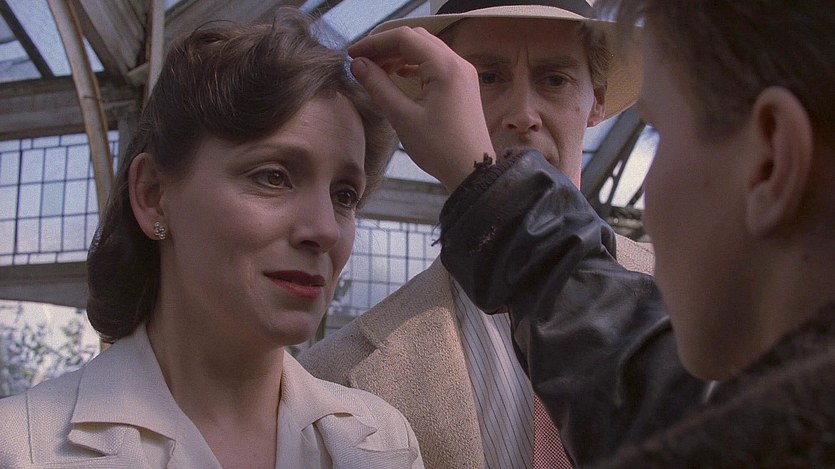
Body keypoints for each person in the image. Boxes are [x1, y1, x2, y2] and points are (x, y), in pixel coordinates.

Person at [351, 0, 835, 466]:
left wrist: (493, 199)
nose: (523, 113)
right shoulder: (349, 374)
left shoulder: (712, 315)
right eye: (485, 79)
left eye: (660, 132)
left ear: (772, 160)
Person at [0, 11, 423, 469]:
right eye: (273, 176)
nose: (324, 230)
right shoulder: (21, 448)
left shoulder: (384, 443)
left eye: (344, 195)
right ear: (153, 195)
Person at [299, 1, 705, 467]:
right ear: (427, 99)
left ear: (596, 100)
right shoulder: (331, 384)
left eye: (554, 80)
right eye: (486, 79)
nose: (522, 113)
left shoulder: (713, 302)